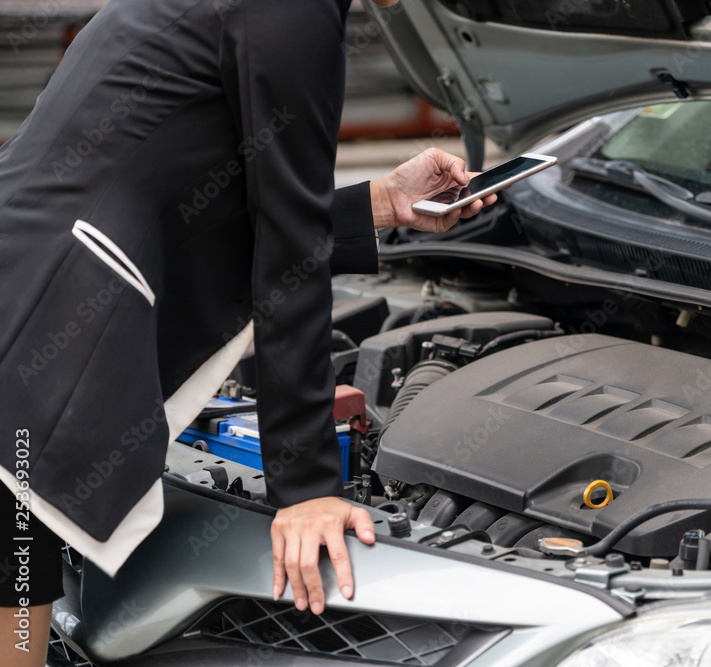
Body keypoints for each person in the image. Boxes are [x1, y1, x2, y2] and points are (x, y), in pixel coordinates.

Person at [0, 0, 496, 664]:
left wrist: (380, 204)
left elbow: (213, 188)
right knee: (19, 601)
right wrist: (309, 489)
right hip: (47, 327)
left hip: (31, 289)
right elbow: (289, 249)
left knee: (19, 586)